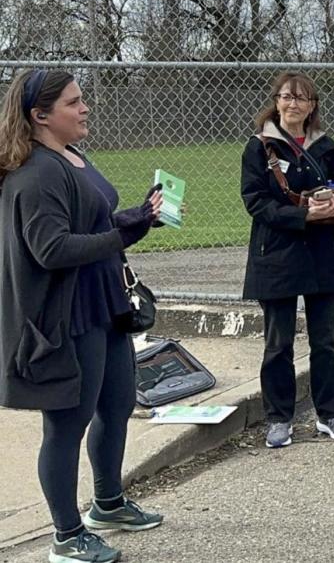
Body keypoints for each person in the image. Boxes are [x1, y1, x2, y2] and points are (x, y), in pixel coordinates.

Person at [0, 69, 165, 563]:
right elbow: (51, 249)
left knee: (114, 407)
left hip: (104, 302)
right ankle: (67, 537)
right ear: (40, 116)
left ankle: (108, 503)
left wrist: (133, 216)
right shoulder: (37, 173)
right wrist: (124, 235)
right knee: (66, 426)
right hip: (66, 316)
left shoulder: (71, 156)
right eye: (74, 102)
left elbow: (90, 219)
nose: (85, 107)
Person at [242, 72, 334, 448]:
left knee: (325, 341)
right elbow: (255, 202)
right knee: (278, 343)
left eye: (301, 98)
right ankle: (279, 418)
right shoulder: (259, 147)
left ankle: (330, 414)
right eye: (286, 97)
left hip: (322, 254)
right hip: (277, 256)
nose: (293, 104)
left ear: (312, 106)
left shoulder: (325, 146)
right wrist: (301, 216)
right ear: (275, 102)